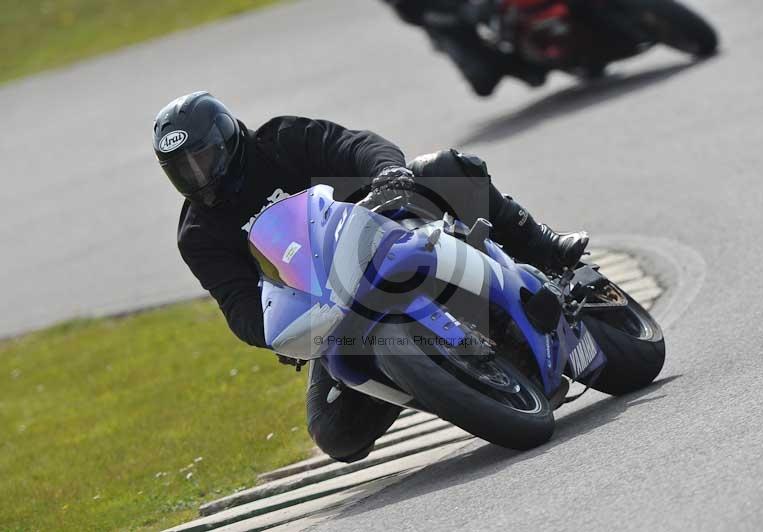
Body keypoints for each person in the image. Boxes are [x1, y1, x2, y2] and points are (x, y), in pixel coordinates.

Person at [153, 91, 587, 462]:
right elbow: (238, 305)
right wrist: (274, 334)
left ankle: (544, 246)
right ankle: (433, 377)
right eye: (182, 170)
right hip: (327, 308)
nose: (199, 176)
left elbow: (356, 146)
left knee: (441, 168)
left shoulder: (282, 140)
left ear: (227, 138)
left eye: (203, 159)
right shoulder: (198, 235)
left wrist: (385, 172)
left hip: (383, 235)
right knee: (335, 435)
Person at [383, 0, 548, 96]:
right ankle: (522, 62)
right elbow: (413, 14)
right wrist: (461, 15)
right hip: (447, 13)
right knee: (483, 81)